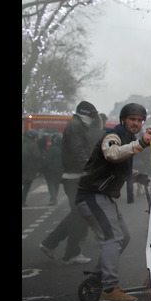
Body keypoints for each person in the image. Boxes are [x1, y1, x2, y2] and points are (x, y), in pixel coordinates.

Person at [75, 103, 151, 301]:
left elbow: (117, 167)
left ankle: (99, 277)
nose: (136, 124)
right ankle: (109, 289)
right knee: (112, 238)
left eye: (139, 120)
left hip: (102, 196)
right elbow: (112, 154)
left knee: (123, 236)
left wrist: (136, 176)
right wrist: (141, 144)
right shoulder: (112, 137)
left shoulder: (126, 139)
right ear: (123, 120)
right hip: (92, 195)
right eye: (132, 119)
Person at [39, 101, 103, 264]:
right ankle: (69, 252)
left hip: (75, 177)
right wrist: (90, 170)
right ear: (85, 113)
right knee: (81, 215)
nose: (94, 118)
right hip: (75, 177)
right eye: (93, 114)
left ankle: (54, 245)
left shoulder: (77, 126)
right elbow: (78, 152)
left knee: (78, 214)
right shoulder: (76, 127)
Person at [41, 133, 63, 205]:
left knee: (51, 184)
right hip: (59, 170)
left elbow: (47, 160)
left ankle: (53, 197)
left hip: (51, 170)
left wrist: (44, 168)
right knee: (56, 184)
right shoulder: (62, 149)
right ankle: (54, 197)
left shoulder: (52, 149)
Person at [22, 130, 42, 207]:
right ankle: (23, 201)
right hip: (28, 170)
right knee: (26, 185)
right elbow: (36, 157)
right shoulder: (33, 145)